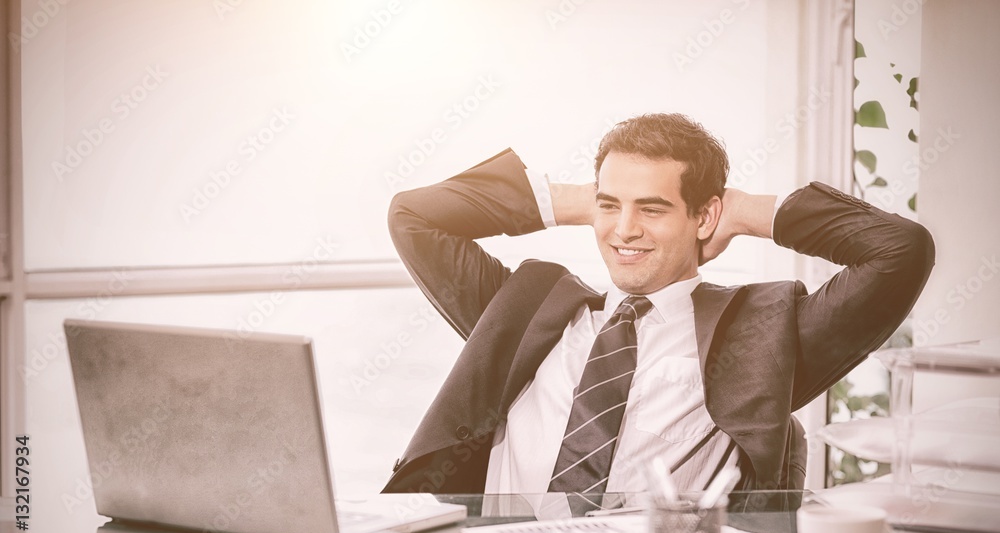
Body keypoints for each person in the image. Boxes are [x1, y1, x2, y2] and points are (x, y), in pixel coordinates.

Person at [381, 113, 934, 498]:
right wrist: (585, 200)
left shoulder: (760, 341)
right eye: (611, 207)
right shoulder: (521, 313)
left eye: (652, 209)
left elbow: (899, 252)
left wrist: (742, 211)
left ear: (704, 216)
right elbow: (413, 216)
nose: (624, 231)